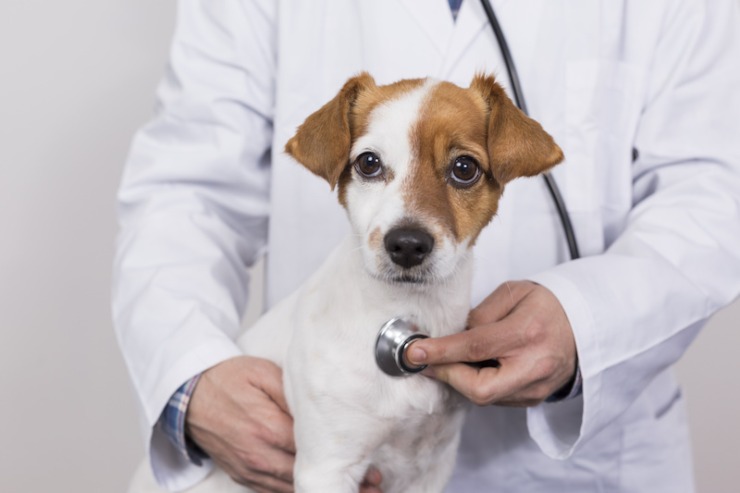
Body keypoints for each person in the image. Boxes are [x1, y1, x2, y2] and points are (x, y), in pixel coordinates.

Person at [113, 0, 740, 491]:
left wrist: (589, 320)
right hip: (285, 442)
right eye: (370, 167)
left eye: (463, 169)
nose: (411, 226)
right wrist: (188, 378)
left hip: (580, 469)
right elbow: (187, 189)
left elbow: (714, 188)